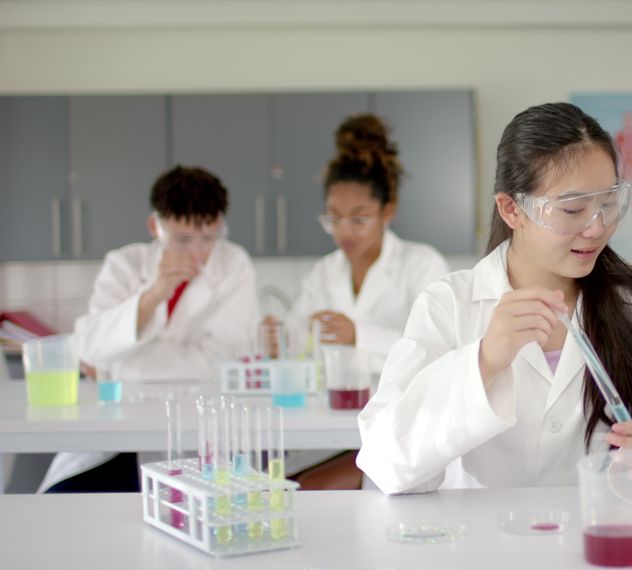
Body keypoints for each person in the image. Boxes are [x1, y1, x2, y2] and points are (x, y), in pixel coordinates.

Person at [357, 102, 632, 498]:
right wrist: (484, 360)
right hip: (486, 549)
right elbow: (386, 463)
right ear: (511, 209)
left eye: (607, 204)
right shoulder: (448, 306)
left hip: (607, 543)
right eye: (572, 210)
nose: (597, 228)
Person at [42, 165, 257, 493]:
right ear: (155, 226)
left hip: (195, 437)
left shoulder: (233, 265)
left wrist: (117, 367)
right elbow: (86, 349)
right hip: (114, 437)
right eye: (183, 239)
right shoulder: (124, 264)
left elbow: (220, 362)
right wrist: (154, 293)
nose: (197, 252)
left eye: (209, 237)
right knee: (65, 504)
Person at [279, 114, 449, 489]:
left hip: (401, 423)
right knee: (284, 483)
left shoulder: (421, 264)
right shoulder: (325, 271)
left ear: (387, 211)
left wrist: (359, 334)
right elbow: (294, 339)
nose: (343, 232)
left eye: (359, 219)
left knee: (307, 491)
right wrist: (280, 337)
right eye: (334, 218)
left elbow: (438, 352)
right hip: (333, 421)